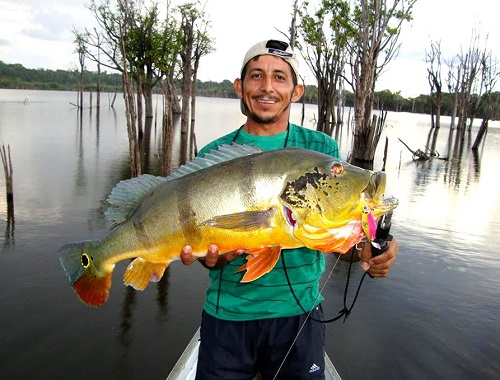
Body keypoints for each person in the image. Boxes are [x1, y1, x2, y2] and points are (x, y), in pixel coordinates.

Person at [180, 39, 398, 380]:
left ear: (296, 91)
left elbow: (343, 234)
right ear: (240, 86)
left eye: (280, 77)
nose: (267, 87)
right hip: (228, 317)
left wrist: (373, 246)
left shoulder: (320, 149)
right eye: (256, 76)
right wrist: (216, 256)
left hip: (300, 318)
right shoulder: (214, 154)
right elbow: (201, 241)